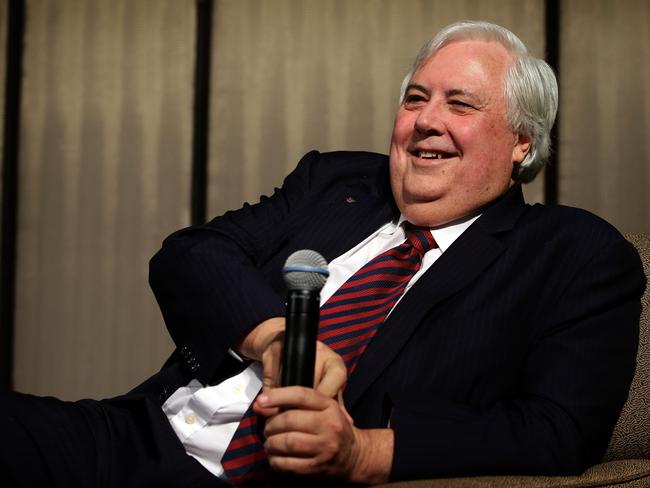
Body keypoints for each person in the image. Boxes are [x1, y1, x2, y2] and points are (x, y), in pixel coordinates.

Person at [1, 20, 645, 488]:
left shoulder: (573, 253)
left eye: (461, 104)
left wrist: (363, 453)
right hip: (135, 438)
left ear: (522, 144)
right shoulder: (337, 182)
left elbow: (556, 429)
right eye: (415, 98)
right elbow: (191, 254)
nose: (425, 120)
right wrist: (272, 338)